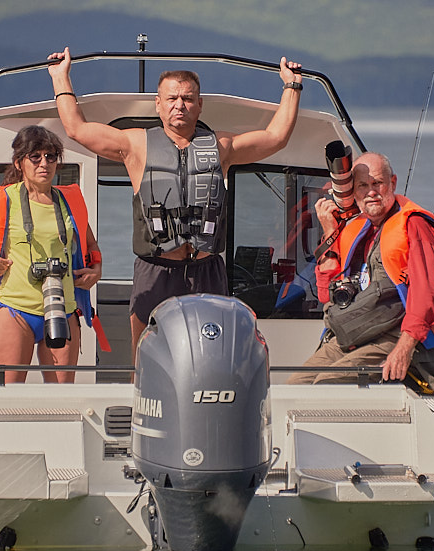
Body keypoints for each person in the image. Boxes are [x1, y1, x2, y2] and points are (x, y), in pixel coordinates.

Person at [47, 46, 303, 362]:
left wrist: (291, 86)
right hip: (156, 269)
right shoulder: (135, 144)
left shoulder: (221, 146)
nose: (179, 105)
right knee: (145, 360)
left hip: (207, 270)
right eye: (172, 98)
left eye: (187, 98)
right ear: (159, 104)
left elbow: (275, 137)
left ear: (199, 105)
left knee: (212, 358)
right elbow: (77, 130)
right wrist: (61, 77)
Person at [288, 152, 434, 401]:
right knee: (292, 387)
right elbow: (329, 295)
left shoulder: (414, 225)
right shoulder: (356, 229)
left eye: (377, 183)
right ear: (353, 192)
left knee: (328, 383)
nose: (371, 192)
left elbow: (428, 295)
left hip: (394, 334)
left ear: (392, 183)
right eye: (363, 185)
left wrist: (404, 348)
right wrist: (330, 234)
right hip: (354, 333)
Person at [0, 125, 101, 383]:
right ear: (19, 163)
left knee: (62, 399)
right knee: (9, 397)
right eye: (35, 157)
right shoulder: (4, 200)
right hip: (15, 311)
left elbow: (92, 247)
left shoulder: (69, 202)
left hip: (63, 309)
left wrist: (96, 270)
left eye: (51, 157)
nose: (44, 164)